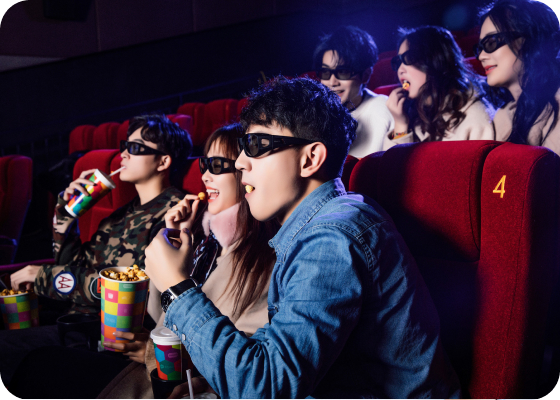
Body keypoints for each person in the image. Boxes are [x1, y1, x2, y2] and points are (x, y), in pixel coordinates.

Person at [144, 77, 462, 398]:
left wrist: (177, 287)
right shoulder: (316, 228)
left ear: (310, 159)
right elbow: (277, 356)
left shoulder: (332, 237)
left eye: (256, 145)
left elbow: (266, 387)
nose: (239, 163)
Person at [1, 114, 192, 385]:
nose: (123, 153)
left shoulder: (175, 214)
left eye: (135, 148)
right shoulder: (119, 216)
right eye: (124, 145)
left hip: (106, 334)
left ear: (163, 161)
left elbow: (136, 289)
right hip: (73, 317)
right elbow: (77, 265)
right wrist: (65, 217)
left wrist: (43, 276)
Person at [98, 123, 279, 399]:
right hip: (150, 373)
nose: (205, 175)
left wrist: (153, 351)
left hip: (176, 384)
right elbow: (159, 318)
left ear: (247, 172)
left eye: (217, 165)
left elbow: (242, 360)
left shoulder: (263, 255)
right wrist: (173, 238)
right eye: (204, 164)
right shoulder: (205, 242)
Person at [384, 25, 495, 149]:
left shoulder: (475, 115)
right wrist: (400, 125)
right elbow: (392, 162)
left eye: (409, 58)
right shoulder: (410, 113)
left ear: (435, 60)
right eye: (398, 62)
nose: (400, 70)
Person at [477, 0, 560, 155]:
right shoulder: (502, 117)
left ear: (530, 40)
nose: (481, 56)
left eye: (491, 43)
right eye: (480, 48)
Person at [313, 25, 394, 157]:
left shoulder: (385, 108)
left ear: (365, 75)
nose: (332, 82)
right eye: (325, 72)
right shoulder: (313, 114)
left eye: (342, 72)